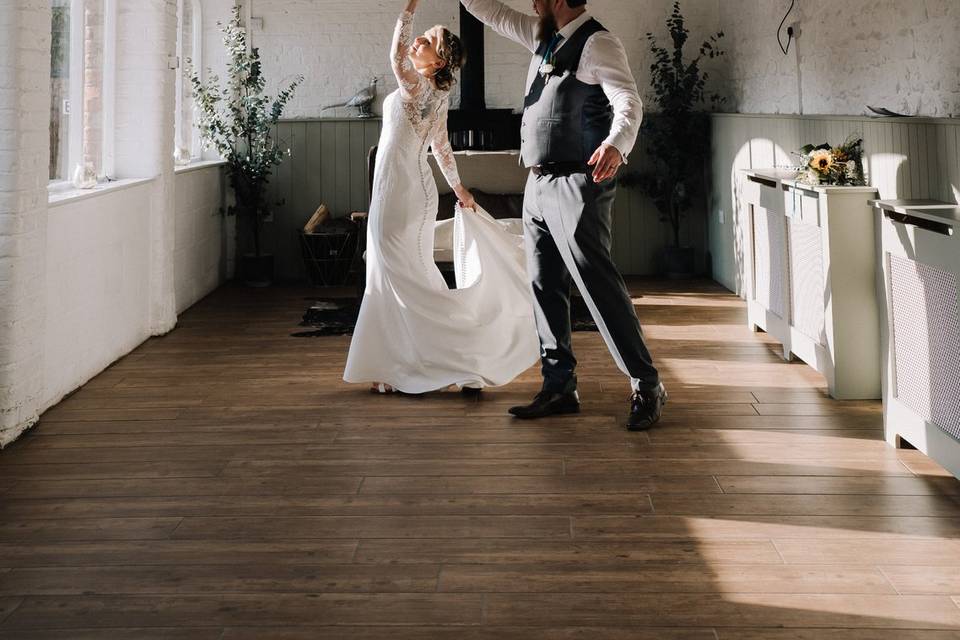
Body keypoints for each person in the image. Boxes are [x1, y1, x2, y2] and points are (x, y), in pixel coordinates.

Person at [460, 0, 667, 430]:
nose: (532, 4)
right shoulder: (543, 36)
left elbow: (628, 100)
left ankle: (646, 384)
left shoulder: (598, 43)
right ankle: (558, 387)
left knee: (596, 284)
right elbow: (492, 13)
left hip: (578, 181)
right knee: (543, 285)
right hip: (536, 184)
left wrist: (617, 143)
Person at [343, 0, 540, 395]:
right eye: (423, 36)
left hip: (400, 193)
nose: (419, 40)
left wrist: (409, 6)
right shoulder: (435, 94)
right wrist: (459, 189)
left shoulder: (418, 87)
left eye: (428, 40)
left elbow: (396, 56)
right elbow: (443, 148)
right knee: (404, 274)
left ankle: (415, 359)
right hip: (409, 190)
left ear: (437, 62)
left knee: (395, 273)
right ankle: (402, 359)